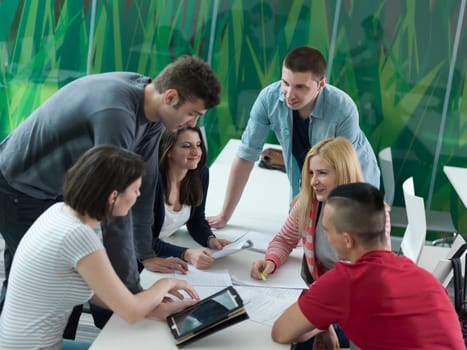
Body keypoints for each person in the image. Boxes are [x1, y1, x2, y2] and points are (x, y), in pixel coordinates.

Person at [0, 55, 221, 337]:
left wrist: (146, 253)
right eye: (193, 113)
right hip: (19, 188)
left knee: (61, 278)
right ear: (170, 96)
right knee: (47, 281)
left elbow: (144, 189)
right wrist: (136, 294)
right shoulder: (117, 114)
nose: (192, 122)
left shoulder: (152, 109)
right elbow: (115, 210)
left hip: (57, 190)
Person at [0, 145, 200, 350]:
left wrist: (148, 307)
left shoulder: (58, 212)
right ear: (113, 197)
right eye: (135, 189)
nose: (139, 195)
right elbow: (130, 313)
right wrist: (165, 284)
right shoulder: (80, 237)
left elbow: (101, 292)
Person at [271, 182, 465, 349]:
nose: (326, 238)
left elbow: (281, 333)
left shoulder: (346, 281)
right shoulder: (425, 278)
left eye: (327, 230)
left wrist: (322, 320)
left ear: (347, 240)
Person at [208, 46, 380, 229]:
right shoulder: (269, 99)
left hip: (353, 182)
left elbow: (343, 172)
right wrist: (224, 216)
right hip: (310, 180)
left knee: (335, 237)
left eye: (300, 87)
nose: (289, 94)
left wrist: (318, 224)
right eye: (285, 83)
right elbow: (245, 157)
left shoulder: (343, 109)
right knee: (297, 235)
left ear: (321, 84)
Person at [250, 137, 391, 348]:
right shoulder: (309, 202)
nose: (313, 181)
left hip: (356, 305)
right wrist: (271, 260)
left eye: (322, 173)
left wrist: (323, 323)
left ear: (343, 173)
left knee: (295, 337)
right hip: (323, 296)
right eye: (311, 173)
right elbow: (284, 239)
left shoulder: (371, 213)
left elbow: (365, 278)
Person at [136, 126, 230, 272]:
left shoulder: (200, 173)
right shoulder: (151, 181)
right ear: (168, 151)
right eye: (186, 146)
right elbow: (141, 239)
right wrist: (186, 253)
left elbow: (196, 220)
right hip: (136, 256)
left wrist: (210, 239)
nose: (196, 152)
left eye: (198, 145)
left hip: (160, 251)